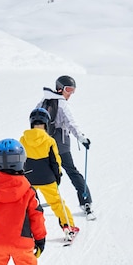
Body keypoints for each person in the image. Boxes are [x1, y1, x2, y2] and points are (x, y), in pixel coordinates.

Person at [35, 75, 95, 220]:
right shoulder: (62, 103)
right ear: (59, 88)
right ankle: (85, 201)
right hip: (61, 143)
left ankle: (32, 199)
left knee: (41, 171)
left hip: (44, 143)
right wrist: (81, 137)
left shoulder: (44, 100)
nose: (70, 93)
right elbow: (71, 122)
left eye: (73, 90)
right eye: (68, 89)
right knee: (72, 171)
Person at [20, 107, 79, 239]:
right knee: (57, 203)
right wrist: (57, 175)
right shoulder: (49, 140)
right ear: (46, 124)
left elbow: (20, 159)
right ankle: (68, 226)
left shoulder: (23, 140)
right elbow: (55, 160)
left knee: (27, 205)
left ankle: (24, 230)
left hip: (29, 178)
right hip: (47, 178)